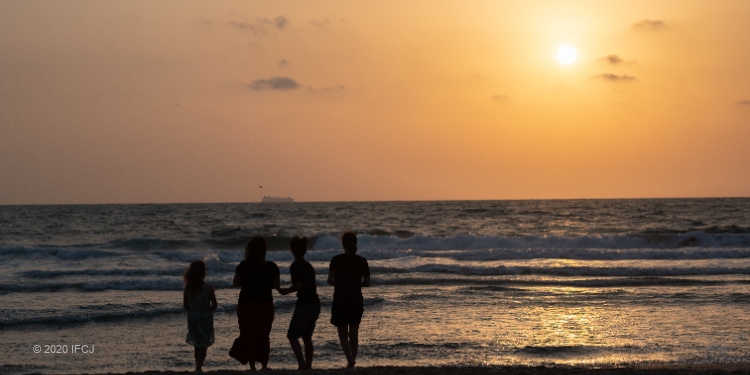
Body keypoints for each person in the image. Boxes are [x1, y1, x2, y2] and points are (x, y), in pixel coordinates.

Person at [230, 236, 280, 371]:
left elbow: (235, 283)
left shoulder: (243, 266)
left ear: (249, 250)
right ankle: (264, 364)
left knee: (248, 335)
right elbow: (276, 285)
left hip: (246, 304)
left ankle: (252, 366)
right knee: (263, 335)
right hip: (265, 304)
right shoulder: (272, 266)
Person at [327, 231, 371, 368]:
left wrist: (340, 283)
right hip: (356, 299)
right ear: (355, 243)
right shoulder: (362, 261)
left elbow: (329, 280)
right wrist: (356, 284)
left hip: (340, 298)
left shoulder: (336, 260)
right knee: (354, 332)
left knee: (342, 333)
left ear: (343, 244)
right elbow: (367, 282)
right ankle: (353, 359)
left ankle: (350, 360)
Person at [278, 236, 321, 370]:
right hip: (315, 303)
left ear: (292, 250)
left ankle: (302, 364)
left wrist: (285, 291)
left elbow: (298, 285)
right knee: (307, 337)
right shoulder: (308, 265)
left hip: (305, 304)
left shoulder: (296, 265)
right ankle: (308, 365)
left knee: (292, 335)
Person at [183, 259, 218, 373]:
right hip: (205, 316)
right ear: (203, 273)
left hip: (193, 316)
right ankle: (199, 366)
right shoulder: (208, 288)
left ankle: (197, 365)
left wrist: (193, 310)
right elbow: (214, 304)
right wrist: (208, 310)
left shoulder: (188, 288)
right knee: (204, 343)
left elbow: (185, 305)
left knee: (197, 343)